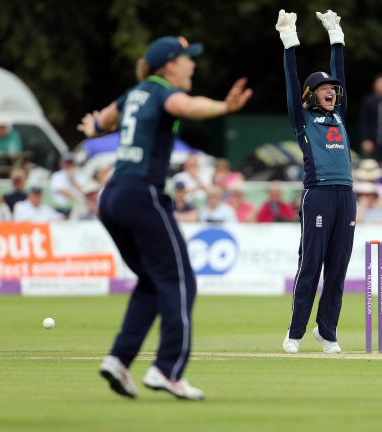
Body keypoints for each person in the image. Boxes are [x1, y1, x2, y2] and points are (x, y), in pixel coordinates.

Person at [77, 35, 253, 400]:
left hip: (113, 196)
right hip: (143, 194)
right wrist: (223, 108)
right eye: (188, 59)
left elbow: (104, 119)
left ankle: (119, 359)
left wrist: (94, 129)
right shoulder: (161, 92)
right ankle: (167, 370)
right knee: (181, 281)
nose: (193, 64)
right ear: (169, 65)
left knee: (153, 281)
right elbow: (187, 107)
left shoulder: (134, 94)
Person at [276, 9, 356, 354]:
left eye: (333, 89)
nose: (331, 92)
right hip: (318, 194)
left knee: (338, 269)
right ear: (311, 94)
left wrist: (336, 36)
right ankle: (295, 333)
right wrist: (289, 40)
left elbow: (340, 73)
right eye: (324, 88)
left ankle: (327, 332)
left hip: (346, 196)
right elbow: (291, 81)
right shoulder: (302, 117)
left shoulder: (339, 113)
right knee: (311, 266)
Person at [49, 153, 84, 218]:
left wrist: (72, 180)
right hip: (59, 209)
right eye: (66, 163)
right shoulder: (57, 176)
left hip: (77, 209)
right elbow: (63, 192)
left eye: (70, 163)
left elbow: (83, 191)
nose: (68, 165)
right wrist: (76, 196)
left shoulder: (79, 175)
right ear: (62, 164)